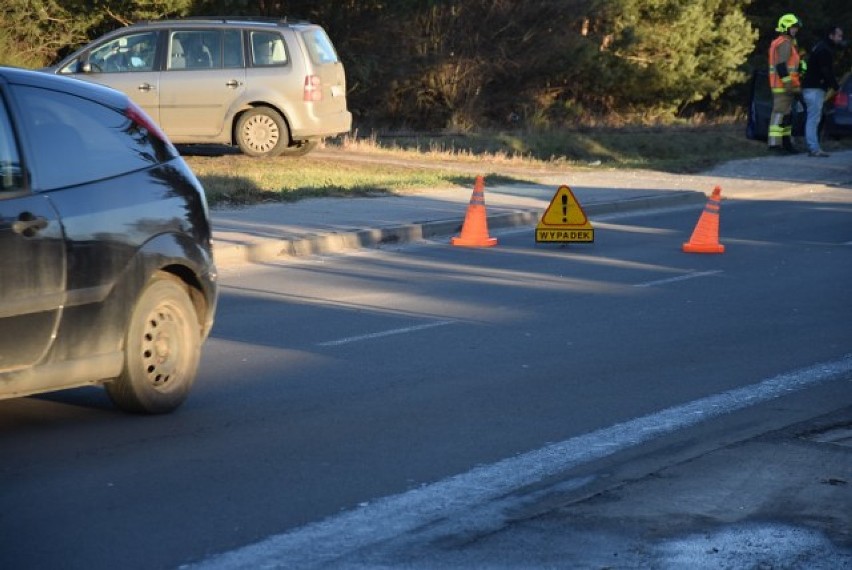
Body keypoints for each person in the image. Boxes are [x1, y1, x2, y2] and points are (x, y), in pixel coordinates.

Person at [802, 25, 844, 157]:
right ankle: (813, 148)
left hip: (811, 87)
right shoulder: (825, 50)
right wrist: (836, 86)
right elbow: (826, 71)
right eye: (838, 36)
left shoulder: (820, 47)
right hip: (814, 88)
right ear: (831, 36)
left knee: (813, 117)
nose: (840, 39)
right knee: (813, 118)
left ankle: (813, 146)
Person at [768, 14, 803, 153]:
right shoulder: (784, 43)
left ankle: (786, 143)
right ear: (785, 27)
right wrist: (788, 84)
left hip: (785, 86)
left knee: (786, 115)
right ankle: (775, 145)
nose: (795, 30)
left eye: (796, 28)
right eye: (793, 27)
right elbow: (781, 66)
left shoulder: (785, 42)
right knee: (779, 114)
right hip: (782, 86)